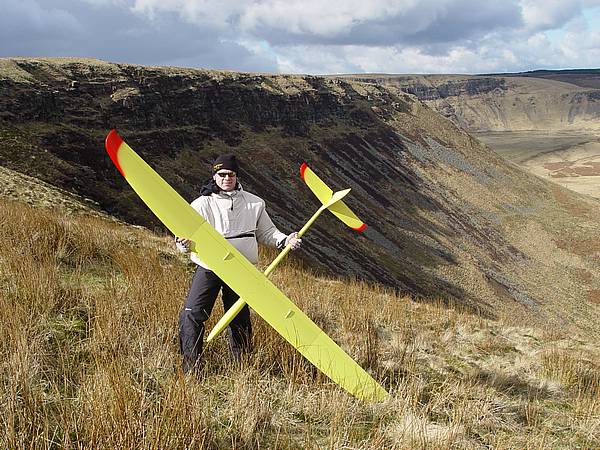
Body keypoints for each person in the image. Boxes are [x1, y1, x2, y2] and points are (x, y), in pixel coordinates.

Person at [175, 154, 302, 373]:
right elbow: (183, 238)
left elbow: (267, 232)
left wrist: (285, 240)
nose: (226, 178)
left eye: (230, 174)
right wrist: (183, 245)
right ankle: (191, 369)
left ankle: (242, 367)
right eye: (221, 174)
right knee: (192, 314)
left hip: (242, 269)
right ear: (214, 176)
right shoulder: (201, 204)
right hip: (210, 266)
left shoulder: (254, 203)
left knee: (240, 318)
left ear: (236, 176)